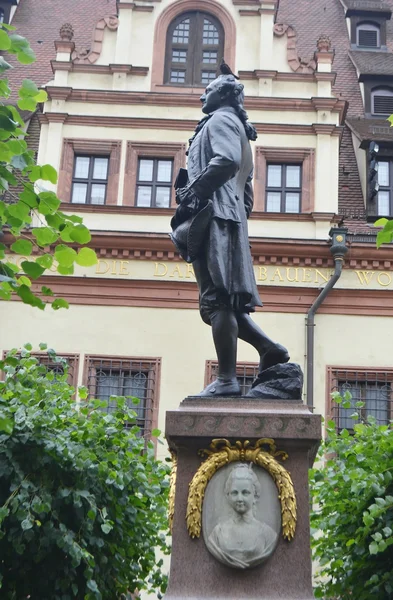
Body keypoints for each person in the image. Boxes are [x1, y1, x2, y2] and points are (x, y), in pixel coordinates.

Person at [171, 65, 289, 397]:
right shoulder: (238, 127)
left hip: (214, 217)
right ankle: (269, 349)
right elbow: (247, 192)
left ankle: (226, 379)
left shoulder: (221, 121)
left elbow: (224, 162)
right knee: (227, 303)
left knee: (218, 300)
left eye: (207, 89)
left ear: (224, 94)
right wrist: (235, 217)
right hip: (228, 217)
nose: (201, 94)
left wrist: (195, 192)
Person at [207, 464, 278, 569]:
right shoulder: (217, 534)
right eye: (235, 493)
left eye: (245, 493)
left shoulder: (268, 535)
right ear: (228, 496)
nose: (240, 498)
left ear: (255, 496)